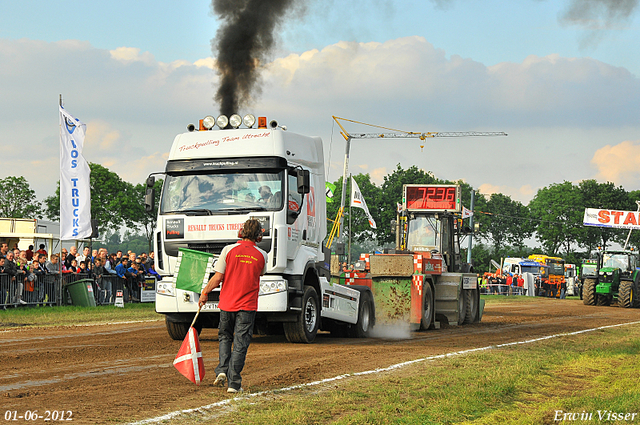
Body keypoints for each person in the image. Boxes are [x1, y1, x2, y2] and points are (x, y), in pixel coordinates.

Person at [198, 218, 267, 394]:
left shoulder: (228, 250)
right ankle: (234, 383)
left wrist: (205, 292)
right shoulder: (262, 255)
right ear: (259, 235)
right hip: (248, 306)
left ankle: (221, 370)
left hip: (227, 303)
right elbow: (260, 272)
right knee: (240, 343)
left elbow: (218, 277)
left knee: (225, 337)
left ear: (241, 233)